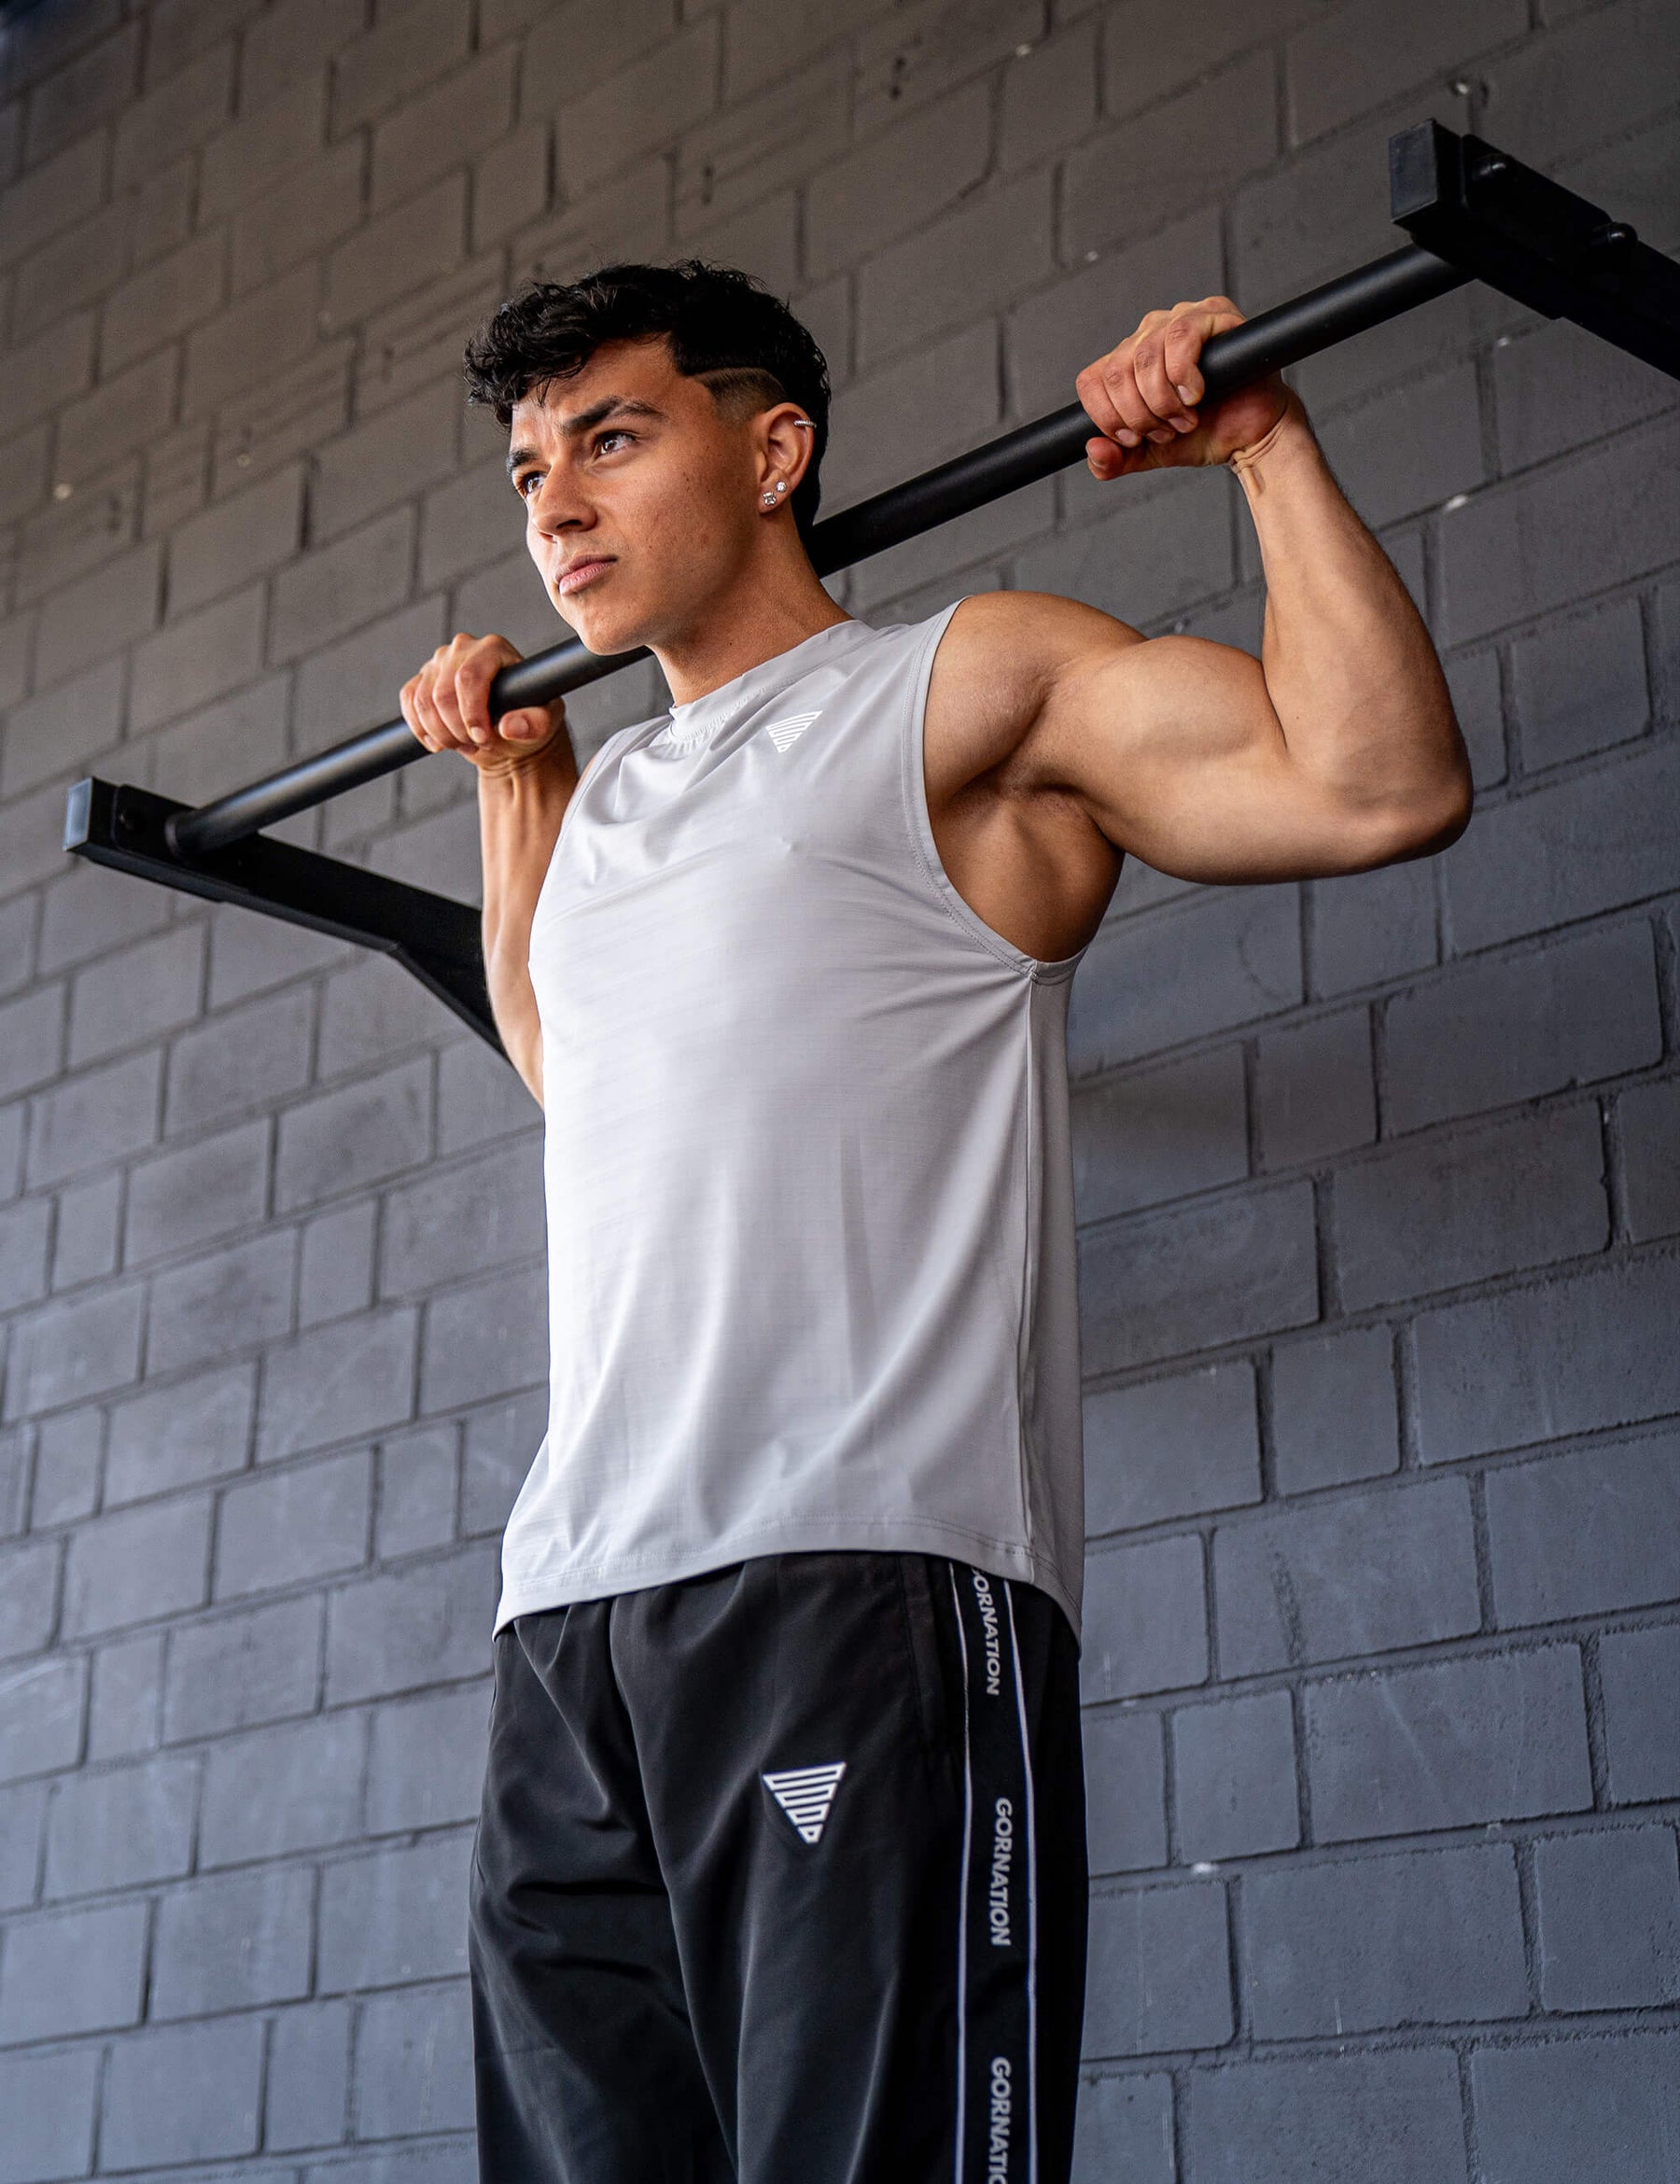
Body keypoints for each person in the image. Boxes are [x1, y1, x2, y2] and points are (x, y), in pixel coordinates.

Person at [399, 259, 1471, 2184]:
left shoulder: (953, 684)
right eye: (528, 469)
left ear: (774, 448)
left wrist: (1263, 448)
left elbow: (1376, 784)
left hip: (858, 1583)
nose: (554, 504)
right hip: (568, 1620)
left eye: (614, 439)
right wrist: (517, 786)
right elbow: (583, 1077)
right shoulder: (619, 787)